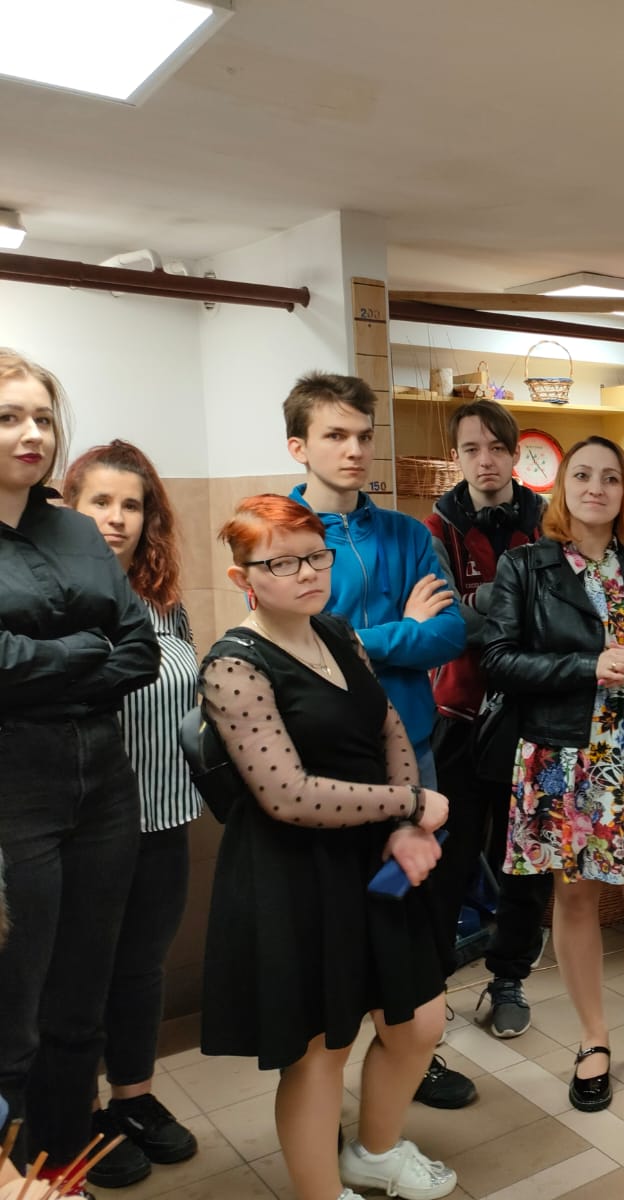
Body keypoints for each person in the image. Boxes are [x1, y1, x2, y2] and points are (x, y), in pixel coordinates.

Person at [200, 495, 457, 1200]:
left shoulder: (338, 632)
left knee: (418, 1021)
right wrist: (409, 806)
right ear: (243, 578)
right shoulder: (234, 664)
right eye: (283, 563)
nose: (309, 572)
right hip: (296, 870)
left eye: (317, 555)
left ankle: (374, 1152)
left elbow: (388, 728)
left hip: (374, 858)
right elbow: (288, 793)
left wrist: (402, 827)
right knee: (322, 1047)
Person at [480, 436, 624, 1113]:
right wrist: (588, 666)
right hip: (562, 757)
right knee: (576, 900)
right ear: (562, 488)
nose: (596, 488)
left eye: (610, 478)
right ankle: (592, 1040)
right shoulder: (527, 566)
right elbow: (498, 659)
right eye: (582, 475)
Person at [282, 371, 475, 1109]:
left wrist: (359, 639)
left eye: (364, 435)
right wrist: (399, 632)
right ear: (299, 446)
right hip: (321, 764)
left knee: (408, 907)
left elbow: (451, 634)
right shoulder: (279, 535)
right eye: (335, 435)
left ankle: (412, 1054)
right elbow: (297, 649)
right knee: (333, 922)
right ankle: (321, 1080)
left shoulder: (406, 534)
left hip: (412, 756)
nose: (355, 450)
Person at [0, 350, 159, 1197]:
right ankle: (10, 1173)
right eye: (7, 417)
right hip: (12, 783)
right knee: (12, 1002)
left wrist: (50, 664)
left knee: (80, 993)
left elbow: (138, 650)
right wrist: (81, 653)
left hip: (103, 780)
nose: (31, 432)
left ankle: (63, 1157)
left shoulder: (73, 529)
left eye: (41, 416)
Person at [62, 442, 202, 1190]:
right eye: (100, 502)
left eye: (131, 504)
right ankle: (77, 1114)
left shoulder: (162, 601)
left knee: (142, 968)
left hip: (166, 814)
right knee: (80, 977)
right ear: (70, 507)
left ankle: (132, 1100)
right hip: (83, 827)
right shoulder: (50, 600)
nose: (116, 518)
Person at [424, 400, 554, 1039]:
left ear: (514, 454)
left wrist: (485, 603)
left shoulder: (548, 520)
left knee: (525, 861)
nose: (486, 461)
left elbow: (563, 610)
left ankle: (509, 981)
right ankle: (429, 987)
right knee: (446, 861)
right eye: (472, 449)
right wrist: (518, 604)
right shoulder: (436, 528)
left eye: (497, 448)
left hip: (534, 719)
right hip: (460, 715)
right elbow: (448, 622)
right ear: (457, 457)